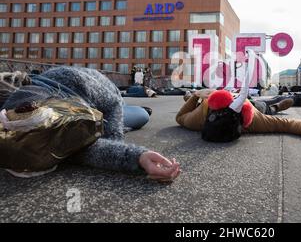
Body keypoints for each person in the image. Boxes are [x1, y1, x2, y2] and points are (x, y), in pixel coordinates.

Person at [0, 67, 180, 181]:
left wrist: (116, 142)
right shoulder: (12, 119)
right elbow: (77, 150)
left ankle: (137, 107)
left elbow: (112, 105)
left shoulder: (74, 79)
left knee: (140, 115)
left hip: (108, 99)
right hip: (76, 107)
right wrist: (138, 158)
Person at [177, 88, 301, 143]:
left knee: (260, 104)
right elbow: (285, 124)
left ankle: (273, 105)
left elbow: (180, 117)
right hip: (253, 106)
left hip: (214, 98)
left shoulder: (195, 120)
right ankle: (274, 107)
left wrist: (196, 95)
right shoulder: (254, 121)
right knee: (264, 107)